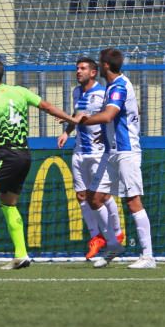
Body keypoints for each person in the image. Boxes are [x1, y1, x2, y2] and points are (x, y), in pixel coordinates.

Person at [0, 59, 73, 268]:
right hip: (24, 155)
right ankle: (21, 254)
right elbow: (45, 105)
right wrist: (69, 119)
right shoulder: (19, 91)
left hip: (5, 155)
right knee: (9, 203)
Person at [76, 48, 155, 269]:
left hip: (126, 152)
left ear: (106, 66)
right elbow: (125, 113)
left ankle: (148, 256)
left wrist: (84, 120)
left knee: (132, 201)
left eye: (100, 64)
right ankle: (114, 245)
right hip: (111, 152)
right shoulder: (113, 86)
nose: (99, 67)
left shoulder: (119, 85)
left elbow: (109, 114)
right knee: (94, 197)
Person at [57, 57, 124, 260]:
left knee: (101, 196)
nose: (78, 71)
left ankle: (117, 232)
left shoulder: (103, 93)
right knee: (81, 196)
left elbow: (110, 116)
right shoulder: (77, 92)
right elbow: (77, 115)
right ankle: (96, 237)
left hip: (98, 152)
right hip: (79, 151)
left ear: (93, 72)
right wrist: (67, 132)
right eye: (77, 68)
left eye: (83, 68)